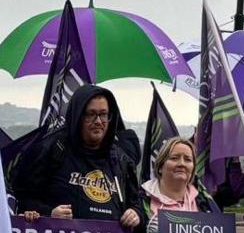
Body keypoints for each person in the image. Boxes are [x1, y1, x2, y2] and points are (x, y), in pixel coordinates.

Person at [11, 84, 144, 225]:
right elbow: (24, 200)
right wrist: (49, 214)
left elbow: (136, 206)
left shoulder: (120, 160)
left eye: (103, 114)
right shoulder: (52, 150)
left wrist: (136, 214)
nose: (98, 121)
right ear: (78, 115)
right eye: (91, 114)